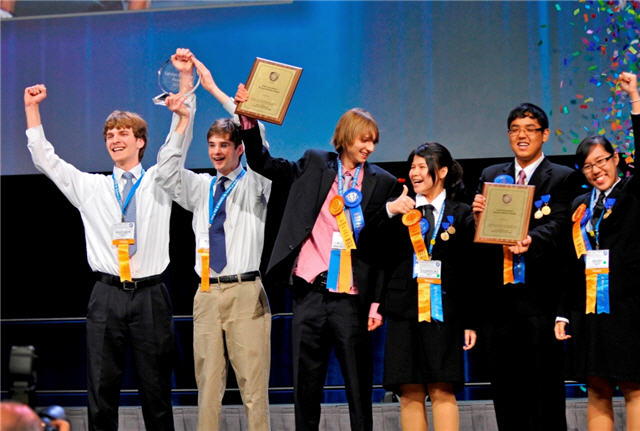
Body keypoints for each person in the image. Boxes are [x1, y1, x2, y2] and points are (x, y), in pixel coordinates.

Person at [233, 84, 402, 431]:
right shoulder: (313, 163)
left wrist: (376, 303)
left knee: (358, 387)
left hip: (351, 300)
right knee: (306, 387)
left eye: (373, 141)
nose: (368, 147)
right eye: (362, 140)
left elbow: (383, 249)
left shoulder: (381, 182)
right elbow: (263, 163)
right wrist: (247, 123)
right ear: (345, 138)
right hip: (309, 293)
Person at [24, 83, 181, 431]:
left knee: (156, 393)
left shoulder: (159, 180)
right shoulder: (91, 187)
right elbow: (44, 158)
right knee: (101, 391)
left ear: (140, 141)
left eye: (123, 133)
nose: (115, 139)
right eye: (109, 134)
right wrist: (31, 110)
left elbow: (174, 149)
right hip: (106, 296)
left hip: (151, 295)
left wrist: (184, 102)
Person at [154, 49, 273, 431]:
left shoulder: (258, 182)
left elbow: (261, 141)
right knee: (207, 388)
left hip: (244, 292)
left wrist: (217, 91)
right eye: (212, 146)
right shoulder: (201, 188)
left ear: (238, 148)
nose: (217, 152)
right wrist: (183, 112)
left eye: (225, 145)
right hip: (205, 294)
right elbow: (166, 170)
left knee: (254, 390)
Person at [554, 72, 640, 431]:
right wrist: (563, 314)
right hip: (588, 309)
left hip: (624, 304)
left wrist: (634, 97)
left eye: (602, 161)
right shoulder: (580, 205)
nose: (596, 170)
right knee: (596, 387)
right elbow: (571, 264)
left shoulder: (634, 192)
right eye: (588, 165)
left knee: (633, 384)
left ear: (616, 159)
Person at [472, 102, 584, 431]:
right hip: (500, 304)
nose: (522, 136)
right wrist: (478, 217)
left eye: (529, 129)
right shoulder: (492, 176)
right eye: (515, 130)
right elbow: (480, 239)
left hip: (541, 301)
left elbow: (562, 225)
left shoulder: (563, 178)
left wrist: (531, 241)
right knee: (505, 393)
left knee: (545, 392)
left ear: (544, 135)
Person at [379, 142, 477, 431]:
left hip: (443, 312)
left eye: (422, 166)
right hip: (403, 311)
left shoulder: (462, 213)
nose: (415, 172)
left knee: (442, 389)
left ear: (442, 171)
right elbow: (375, 248)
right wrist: (390, 211)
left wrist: (470, 321)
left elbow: (470, 270)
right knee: (409, 392)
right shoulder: (402, 210)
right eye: (412, 167)